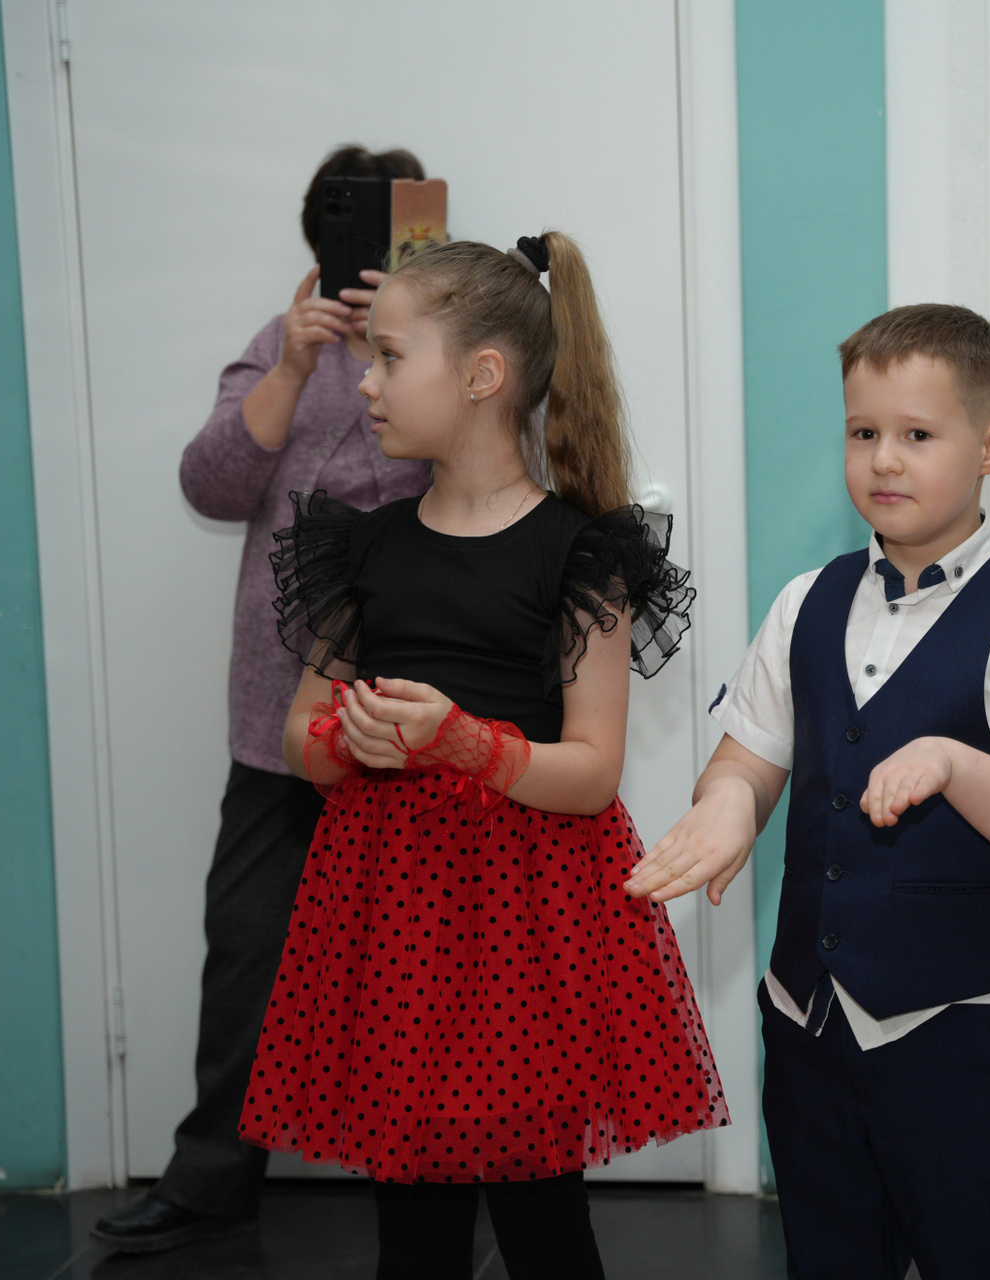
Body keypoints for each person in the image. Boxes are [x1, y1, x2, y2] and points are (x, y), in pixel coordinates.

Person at [236, 234, 725, 1280]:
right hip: (393, 906)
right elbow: (301, 735)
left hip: (527, 913)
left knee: (542, 1216)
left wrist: (463, 742)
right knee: (413, 1225)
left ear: (481, 375)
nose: (365, 382)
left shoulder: (580, 554)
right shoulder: (360, 545)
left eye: (389, 356)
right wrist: (349, 741)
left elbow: (591, 771)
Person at [631, 304, 990, 1278]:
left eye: (917, 435)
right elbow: (747, 758)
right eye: (863, 433)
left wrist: (958, 763)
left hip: (968, 1040)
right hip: (810, 1030)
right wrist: (729, 801)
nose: (884, 460)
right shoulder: (805, 601)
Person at [92, 144, 433, 1254]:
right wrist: (294, 365)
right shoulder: (281, 344)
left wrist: (407, 345)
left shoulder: (454, 346)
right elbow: (211, 484)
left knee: (417, 959)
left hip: (415, 709)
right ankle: (211, 1176)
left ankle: (431, 1170)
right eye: (346, 230)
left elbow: (478, 473)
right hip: (278, 720)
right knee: (247, 947)